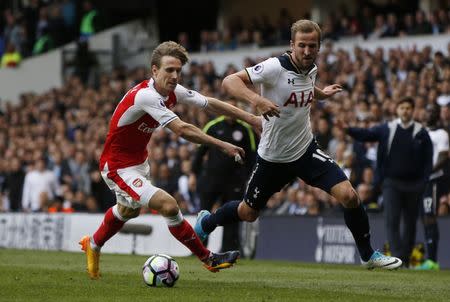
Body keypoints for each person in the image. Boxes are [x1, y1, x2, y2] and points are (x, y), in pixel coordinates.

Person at [194, 19, 402, 270]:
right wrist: (256, 100)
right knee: (248, 213)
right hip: (273, 158)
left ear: (319, 47)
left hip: (305, 150)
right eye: (301, 45)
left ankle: (369, 256)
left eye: (312, 46)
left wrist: (322, 93)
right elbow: (229, 82)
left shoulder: (310, 68)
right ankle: (207, 223)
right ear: (291, 45)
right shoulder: (274, 67)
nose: (306, 51)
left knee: (349, 195)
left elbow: (302, 87)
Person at [79, 41, 262, 279]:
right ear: (154, 71)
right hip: (117, 166)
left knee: (127, 211)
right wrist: (222, 144)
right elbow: (183, 129)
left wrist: (250, 117)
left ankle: (92, 244)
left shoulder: (173, 91)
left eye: (178, 71)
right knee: (168, 205)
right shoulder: (146, 96)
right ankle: (209, 258)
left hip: (138, 162)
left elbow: (209, 103)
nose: (175, 76)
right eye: (169, 70)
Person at [342, 97, 432, 267]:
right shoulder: (388, 129)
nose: (405, 111)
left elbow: (428, 160)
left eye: (408, 108)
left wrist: (423, 181)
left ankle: (405, 259)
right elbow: (368, 134)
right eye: (402, 107)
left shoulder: (421, 132)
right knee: (392, 220)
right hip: (391, 183)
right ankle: (397, 257)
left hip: (414, 185)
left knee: (411, 222)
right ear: (397, 110)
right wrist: (349, 130)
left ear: (412, 110)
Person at [191, 99, 257, 251]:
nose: (232, 111)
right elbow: (200, 153)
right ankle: (199, 249)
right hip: (211, 179)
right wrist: (194, 174)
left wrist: (248, 178)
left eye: (235, 108)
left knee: (232, 214)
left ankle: (229, 249)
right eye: (229, 108)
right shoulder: (213, 126)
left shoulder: (246, 130)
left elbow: (252, 158)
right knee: (204, 212)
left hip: (235, 181)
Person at [415, 105, 448, 270]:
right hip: (420, 182)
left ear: (437, 116)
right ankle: (429, 259)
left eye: (433, 111)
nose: (429, 113)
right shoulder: (421, 132)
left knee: (430, 217)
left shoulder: (441, 134)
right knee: (424, 218)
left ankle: (433, 260)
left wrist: (427, 171)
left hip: (432, 181)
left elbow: (443, 157)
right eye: (427, 110)